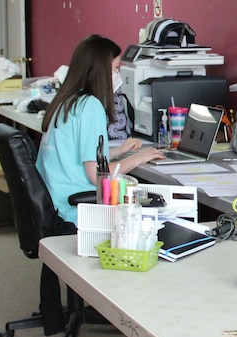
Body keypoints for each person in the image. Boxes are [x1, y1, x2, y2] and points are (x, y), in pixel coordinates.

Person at [37, 34, 164, 228]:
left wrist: (117, 152)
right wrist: (139, 157)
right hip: (76, 210)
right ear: (100, 72)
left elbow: (74, 156)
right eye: (115, 69)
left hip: (55, 202)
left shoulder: (66, 101)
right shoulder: (90, 106)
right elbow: (97, 175)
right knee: (156, 214)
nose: (117, 76)